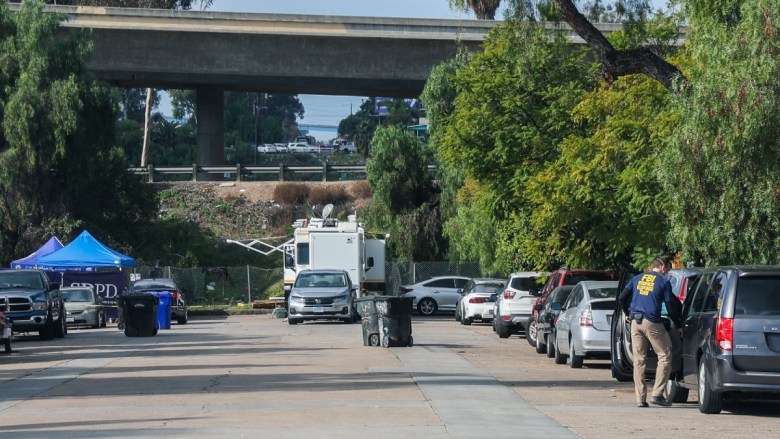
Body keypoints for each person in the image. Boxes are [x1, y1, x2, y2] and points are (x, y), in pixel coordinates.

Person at [618, 256, 683, 408]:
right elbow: (671, 305)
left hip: (635, 322)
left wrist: (627, 313)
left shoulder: (637, 278)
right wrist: (679, 324)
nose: (667, 271)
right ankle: (657, 395)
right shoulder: (663, 282)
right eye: (667, 268)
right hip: (652, 322)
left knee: (639, 360)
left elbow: (622, 297)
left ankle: (640, 399)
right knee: (665, 355)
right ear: (662, 267)